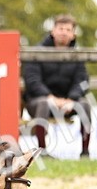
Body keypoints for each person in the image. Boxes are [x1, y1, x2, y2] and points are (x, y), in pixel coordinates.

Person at [21, 14, 92, 158]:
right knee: (44, 104)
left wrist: (72, 99)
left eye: (68, 29)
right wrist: (50, 97)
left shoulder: (78, 56)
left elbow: (83, 81)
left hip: (68, 102)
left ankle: (85, 153)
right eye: (60, 28)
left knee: (85, 105)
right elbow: (32, 80)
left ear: (73, 34)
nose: (64, 32)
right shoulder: (35, 52)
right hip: (39, 101)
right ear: (53, 31)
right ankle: (42, 151)